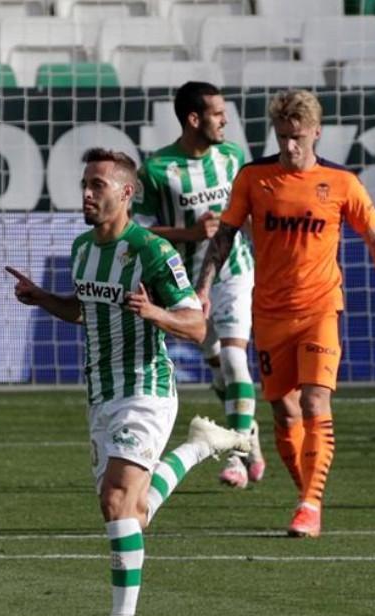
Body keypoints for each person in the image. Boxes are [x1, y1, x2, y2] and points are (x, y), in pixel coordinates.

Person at [7, 148, 249, 616]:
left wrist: (154, 312)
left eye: (98, 185)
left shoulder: (151, 252)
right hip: (100, 392)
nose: (87, 194)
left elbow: (196, 323)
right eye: (85, 185)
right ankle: (199, 446)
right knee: (130, 514)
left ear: (126, 193)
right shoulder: (81, 249)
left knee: (116, 500)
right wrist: (42, 298)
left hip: (146, 389)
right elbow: (84, 310)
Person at [204, 89, 375, 537]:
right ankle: (309, 495)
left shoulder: (341, 183)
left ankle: (308, 503)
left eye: (297, 137)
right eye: (282, 137)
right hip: (269, 312)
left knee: (316, 400)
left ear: (317, 132)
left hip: (320, 308)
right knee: (284, 411)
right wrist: (203, 287)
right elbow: (224, 236)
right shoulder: (254, 177)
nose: (289, 146)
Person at [133, 81, 265, 490]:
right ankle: (251, 431)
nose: (226, 120)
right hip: (185, 283)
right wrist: (189, 234)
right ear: (194, 119)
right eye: (217, 114)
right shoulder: (156, 170)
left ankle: (239, 456)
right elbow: (139, 230)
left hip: (234, 273)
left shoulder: (232, 157)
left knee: (235, 362)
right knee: (222, 375)